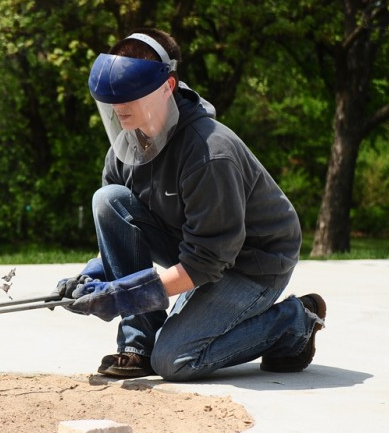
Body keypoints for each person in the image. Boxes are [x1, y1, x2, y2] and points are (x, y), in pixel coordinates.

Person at [58, 29, 325, 380]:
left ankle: (294, 322)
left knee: (175, 360)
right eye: (112, 101)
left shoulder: (210, 153)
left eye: (130, 97)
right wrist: (91, 275)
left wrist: (123, 296)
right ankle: (137, 344)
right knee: (107, 199)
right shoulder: (126, 146)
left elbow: (207, 261)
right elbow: (119, 234)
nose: (119, 109)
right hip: (192, 248)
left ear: (167, 87)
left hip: (253, 263)